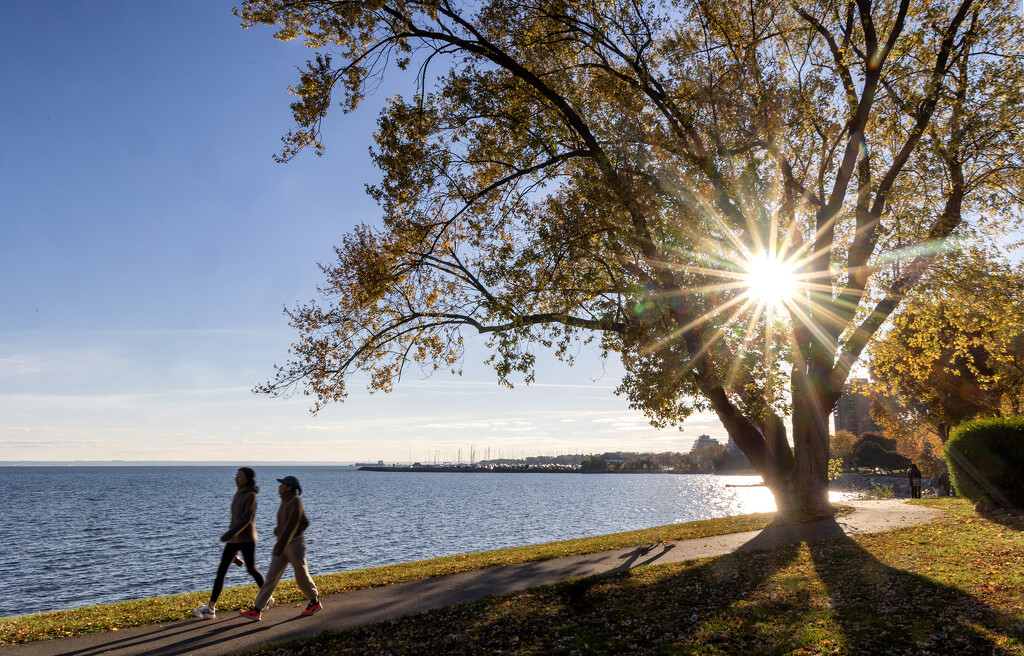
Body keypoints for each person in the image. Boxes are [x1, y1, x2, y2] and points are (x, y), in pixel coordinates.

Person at [240, 475, 322, 620]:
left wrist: (281, 543)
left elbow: (292, 526)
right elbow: (303, 522)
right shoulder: (285, 501)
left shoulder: (295, 501)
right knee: (271, 577)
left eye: (282, 484)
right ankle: (257, 609)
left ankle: (314, 602)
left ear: (289, 487)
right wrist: (278, 530)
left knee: (301, 576)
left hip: (295, 545)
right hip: (284, 544)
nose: (280, 486)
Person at [192, 467, 266, 619]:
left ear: (248, 479)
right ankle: (211, 608)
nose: (236, 478)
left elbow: (246, 519)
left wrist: (228, 534)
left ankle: (266, 597)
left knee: (251, 569)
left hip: (247, 539)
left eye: (240, 476)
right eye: (236, 475)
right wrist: (231, 537)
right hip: (234, 540)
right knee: (221, 571)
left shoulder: (251, 496)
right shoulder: (238, 493)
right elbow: (235, 519)